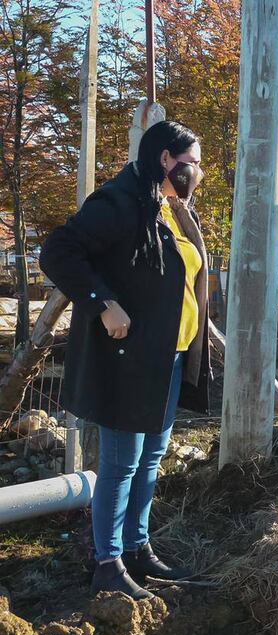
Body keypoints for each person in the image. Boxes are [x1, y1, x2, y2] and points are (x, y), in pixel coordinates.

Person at [39, 121, 210, 599]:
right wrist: (102, 302)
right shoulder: (118, 202)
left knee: (151, 457)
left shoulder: (169, 208)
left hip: (169, 355)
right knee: (122, 462)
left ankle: (136, 547)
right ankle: (107, 562)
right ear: (165, 159)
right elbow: (56, 251)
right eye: (191, 163)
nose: (196, 172)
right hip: (130, 357)